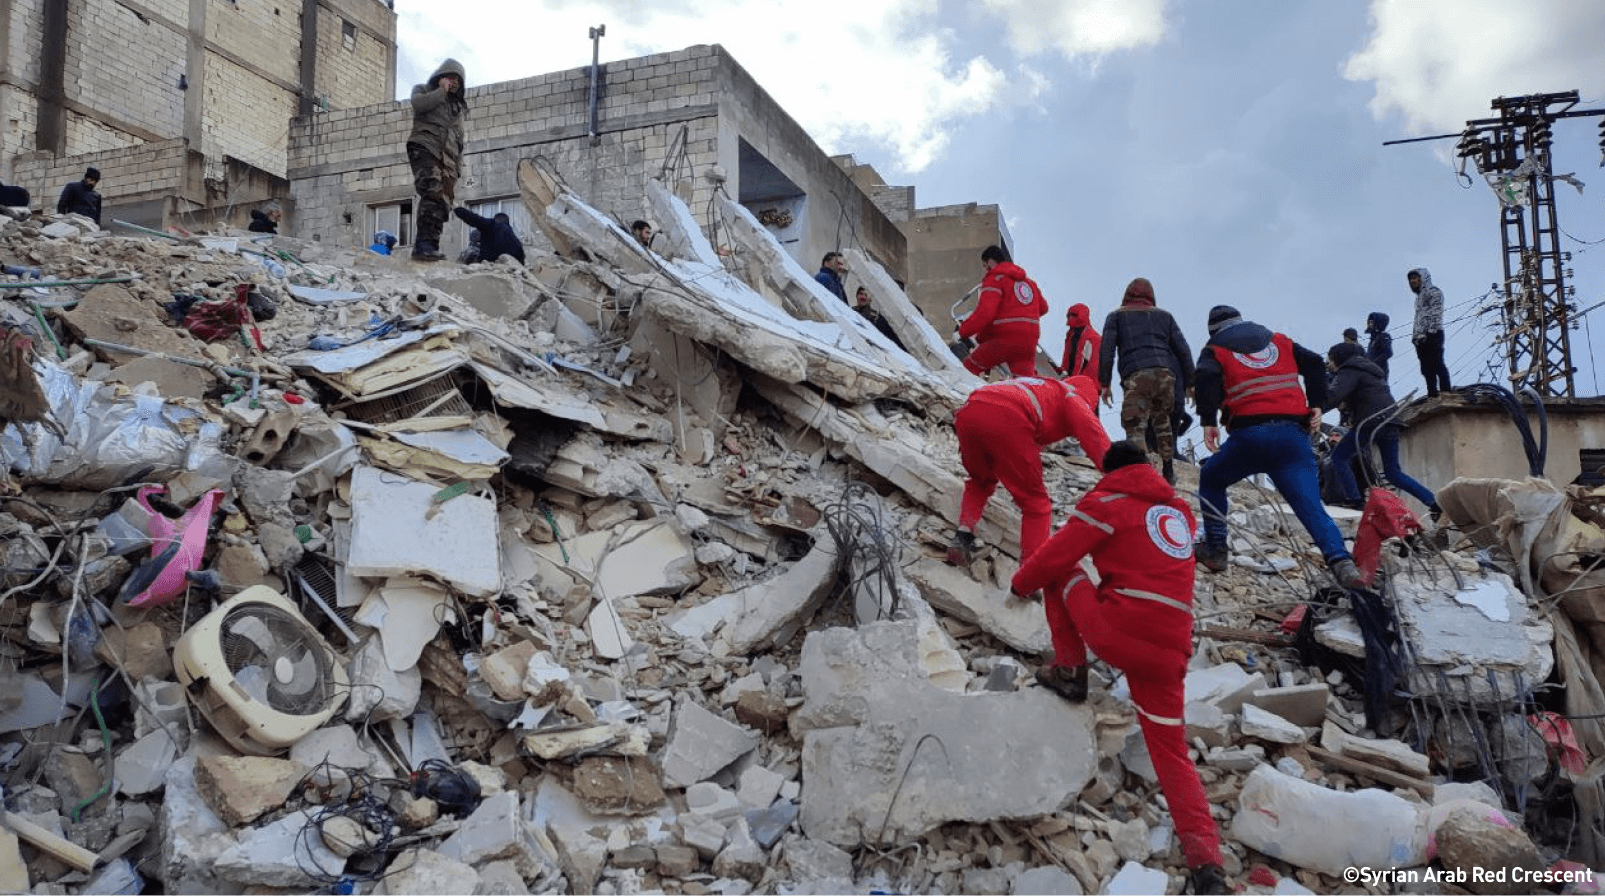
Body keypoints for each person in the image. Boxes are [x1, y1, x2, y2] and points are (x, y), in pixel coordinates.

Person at [1010, 440, 1227, 896]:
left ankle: (1070, 671)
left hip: (1116, 632)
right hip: (1170, 651)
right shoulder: (1179, 513)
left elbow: (1054, 555)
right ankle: (1207, 864)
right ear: (1147, 468)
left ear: (1107, 472)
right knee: (1172, 755)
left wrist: (1019, 583)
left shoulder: (1106, 502)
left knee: (1061, 571)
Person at [1193, 305, 1365, 589]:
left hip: (1249, 437)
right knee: (1311, 506)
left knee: (1211, 479)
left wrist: (1208, 420)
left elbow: (1206, 378)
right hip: (1293, 438)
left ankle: (1215, 551)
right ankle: (1342, 562)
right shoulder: (1279, 340)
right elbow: (1313, 362)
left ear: (1213, 330)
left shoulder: (1215, 348)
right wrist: (1318, 404)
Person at [948, 375, 1110, 567]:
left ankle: (963, 536)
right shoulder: (1073, 397)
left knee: (979, 481)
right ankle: (1029, 572)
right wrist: (1119, 472)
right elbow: (1094, 436)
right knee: (1036, 502)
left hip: (970, 411)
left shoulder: (1043, 387)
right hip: (1009, 418)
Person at [1324, 342, 1439, 516]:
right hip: (1390, 422)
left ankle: (1355, 500)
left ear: (1339, 358)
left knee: (1339, 456)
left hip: (1371, 423)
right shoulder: (1371, 371)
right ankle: (1433, 502)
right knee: (1393, 473)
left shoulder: (1349, 369)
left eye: (1330, 360)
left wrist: (1313, 411)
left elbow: (1333, 396)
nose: (1330, 364)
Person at [1097, 277, 1193, 484]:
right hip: (1165, 375)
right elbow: (1183, 351)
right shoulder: (1165, 317)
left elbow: (1106, 351)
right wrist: (1190, 383)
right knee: (1162, 422)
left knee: (1135, 426)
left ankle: (1143, 475)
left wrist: (1104, 383)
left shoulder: (1115, 317)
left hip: (1137, 375)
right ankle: (1168, 471)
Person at [957, 245, 1048, 379]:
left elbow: (985, 313)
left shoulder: (994, 279)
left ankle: (969, 399)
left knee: (969, 367)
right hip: (1029, 343)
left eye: (984, 265)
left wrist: (962, 332)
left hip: (1004, 339)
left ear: (991, 262)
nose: (985, 270)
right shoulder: (1030, 284)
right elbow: (1044, 308)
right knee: (1025, 384)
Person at [407, 59, 467, 261]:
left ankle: (431, 246)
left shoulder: (457, 108)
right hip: (425, 146)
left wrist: (457, 169)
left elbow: (459, 141)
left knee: (442, 202)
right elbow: (419, 105)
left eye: (457, 79)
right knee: (431, 190)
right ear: (441, 77)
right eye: (451, 77)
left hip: (447, 158)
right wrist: (441, 91)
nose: (454, 82)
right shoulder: (424, 90)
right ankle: (422, 245)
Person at [1408, 268, 1451, 397]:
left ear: (1423, 278)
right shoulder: (1418, 298)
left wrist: (1432, 331)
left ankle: (1446, 392)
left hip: (1433, 334)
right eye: (1411, 279)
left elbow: (1437, 312)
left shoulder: (1434, 292)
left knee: (1437, 363)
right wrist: (1415, 337)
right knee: (1426, 369)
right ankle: (1432, 394)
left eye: (1415, 278)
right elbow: (1418, 318)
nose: (1413, 281)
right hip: (1420, 338)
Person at [453, 206, 525, 265]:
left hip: (488, 263)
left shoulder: (492, 224)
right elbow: (521, 259)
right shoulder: (515, 239)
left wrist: (456, 208)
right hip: (510, 268)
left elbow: (474, 218)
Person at [1059, 303, 1100, 379]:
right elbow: (1068, 356)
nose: (1069, 318)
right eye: (1068, 316)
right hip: (1075, 379)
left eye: (1072, 315)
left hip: (1086, 382)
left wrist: (1073, 379)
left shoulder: (1090, 336)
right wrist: (1062, 371)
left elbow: (1082, 361)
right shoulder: (1072, 333)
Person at [1365, 311, 1393, 378]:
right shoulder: (1372, 339)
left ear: (1378, 323)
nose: (1370, 324)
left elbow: (1388, 353)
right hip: (1370, 372)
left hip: (1380, 371)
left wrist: (1373, 364)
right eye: (1369, 322)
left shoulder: (1384, 336)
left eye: (1372, 322)